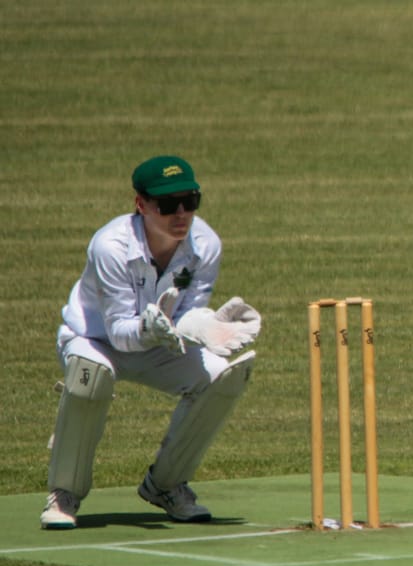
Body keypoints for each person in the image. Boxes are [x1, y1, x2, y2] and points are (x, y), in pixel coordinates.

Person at [40, 155, 262, 529]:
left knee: (224, 376)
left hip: (161, 342)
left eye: (190, 202)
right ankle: (64, 494)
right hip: (95, 339)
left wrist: (204, 327)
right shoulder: (109, 246)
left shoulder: (205, 244)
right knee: (91, 377)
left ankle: (166, 485)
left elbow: (189, 309)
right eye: (167, 204)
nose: (181, 213)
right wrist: (151, 330)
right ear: (141, 204)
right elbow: (119, 333)